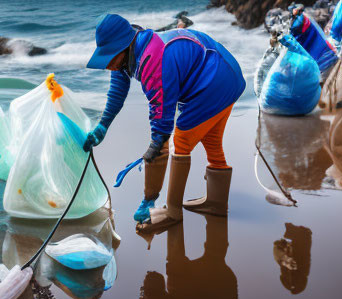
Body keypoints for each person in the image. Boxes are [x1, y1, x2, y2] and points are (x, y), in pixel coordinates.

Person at [83, 14, 246, 234]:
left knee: (181, 141)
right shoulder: (126, 56)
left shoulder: (152, 59)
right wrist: (102, 126)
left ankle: (173, 212)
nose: (108, 66)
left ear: (123, 47)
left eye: (109, 58)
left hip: (215, 80)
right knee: (212, 139)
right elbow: (116, 93)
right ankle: (216, 202)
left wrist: (156, 145)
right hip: (228, 74)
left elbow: (161, 115)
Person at [287, 3, 338, 80]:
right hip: (329, 56)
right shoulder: (306, 18)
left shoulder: (297, 25)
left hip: (321, 64)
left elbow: (294, 41)